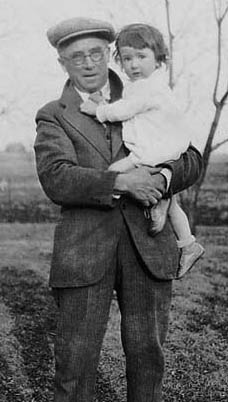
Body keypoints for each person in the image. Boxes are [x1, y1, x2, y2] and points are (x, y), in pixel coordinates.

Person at [34, 17, 203, 402]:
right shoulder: (53, 114)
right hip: (83, 252)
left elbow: (190, 157)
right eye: (77, 57)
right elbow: (56, 177)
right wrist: (120, 182)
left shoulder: (148, 93)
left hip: (150, 245)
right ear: (62, 63)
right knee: (75, 362)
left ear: (110, 54)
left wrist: (161, 180)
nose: (89, 63)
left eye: (96, 53)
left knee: (148, 358)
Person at [80, 23, 204, 279]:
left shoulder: (151, 87)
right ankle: (188, 242)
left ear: (158, 58)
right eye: (127, 58)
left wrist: (99, 110)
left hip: (156, 150)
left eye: (141, 56)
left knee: (115, 173)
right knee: (169, 203)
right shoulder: (142, 86)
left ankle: (150, 206)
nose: (134, 64)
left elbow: (124, 111)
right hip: (156, 148)